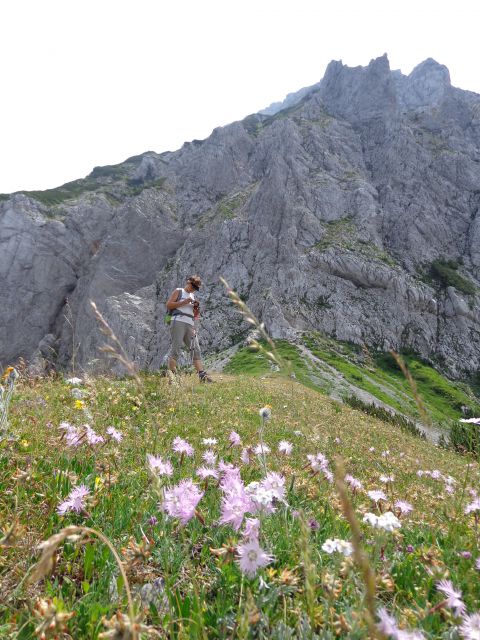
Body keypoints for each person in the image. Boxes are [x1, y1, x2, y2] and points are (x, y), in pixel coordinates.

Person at [166, 275, 212, 383]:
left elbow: (195, 315)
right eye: (193, 286)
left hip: (190, 323)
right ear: (188, 282)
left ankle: (202, 376)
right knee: (176, 348)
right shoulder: (179, 291)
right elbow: (169, 305)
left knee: (196, 349)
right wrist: (184, 302)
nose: (193, 289)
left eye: (196, 288)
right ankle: (172, 378)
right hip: (178, 321)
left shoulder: (193, 297)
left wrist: (196, 308)